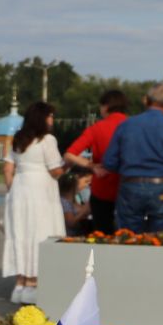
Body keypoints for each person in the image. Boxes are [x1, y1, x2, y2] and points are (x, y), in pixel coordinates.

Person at [101, 82, 163, 233]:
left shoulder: (126, 125)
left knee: (128, 237)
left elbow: (109, 162)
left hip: (130, 186)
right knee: (161, 238)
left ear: (146, 100)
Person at [2, 102, 65, 304]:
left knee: (21, 233)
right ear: (42, 118)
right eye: (50, 116)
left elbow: (7, 169)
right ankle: (32, 283)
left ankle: (19, 284)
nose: (52, 120)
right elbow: (55, 170)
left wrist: (13, 190)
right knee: (41, 233)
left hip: (19, 190)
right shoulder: (47, 140)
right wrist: (69, 165)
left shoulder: (18, 139)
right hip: (41, 191)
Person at [63, 88, 129, 233]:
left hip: (102, 189)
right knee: (128, 236)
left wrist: (91, 165)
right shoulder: (134, 126)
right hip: (128, 187)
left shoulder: (96, 128)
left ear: (105, 106)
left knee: (102, 235)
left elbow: (69, 154)